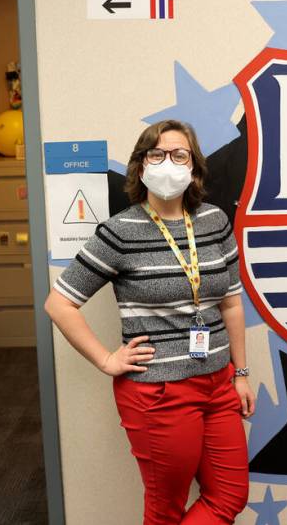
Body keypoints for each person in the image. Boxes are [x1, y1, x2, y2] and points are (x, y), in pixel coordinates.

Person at [44, 119, 254, 525]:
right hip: (159, 393)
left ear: (193, 167)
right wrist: (107, 360)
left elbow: (230, 303)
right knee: (165, 511)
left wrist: (241, 373)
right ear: (141, 167)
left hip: (218, 384)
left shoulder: (214, 221)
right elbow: (59, 303)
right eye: (156, 154)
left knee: (228, 497)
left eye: (179, 154)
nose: (168, 163)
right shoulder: (119, 232)